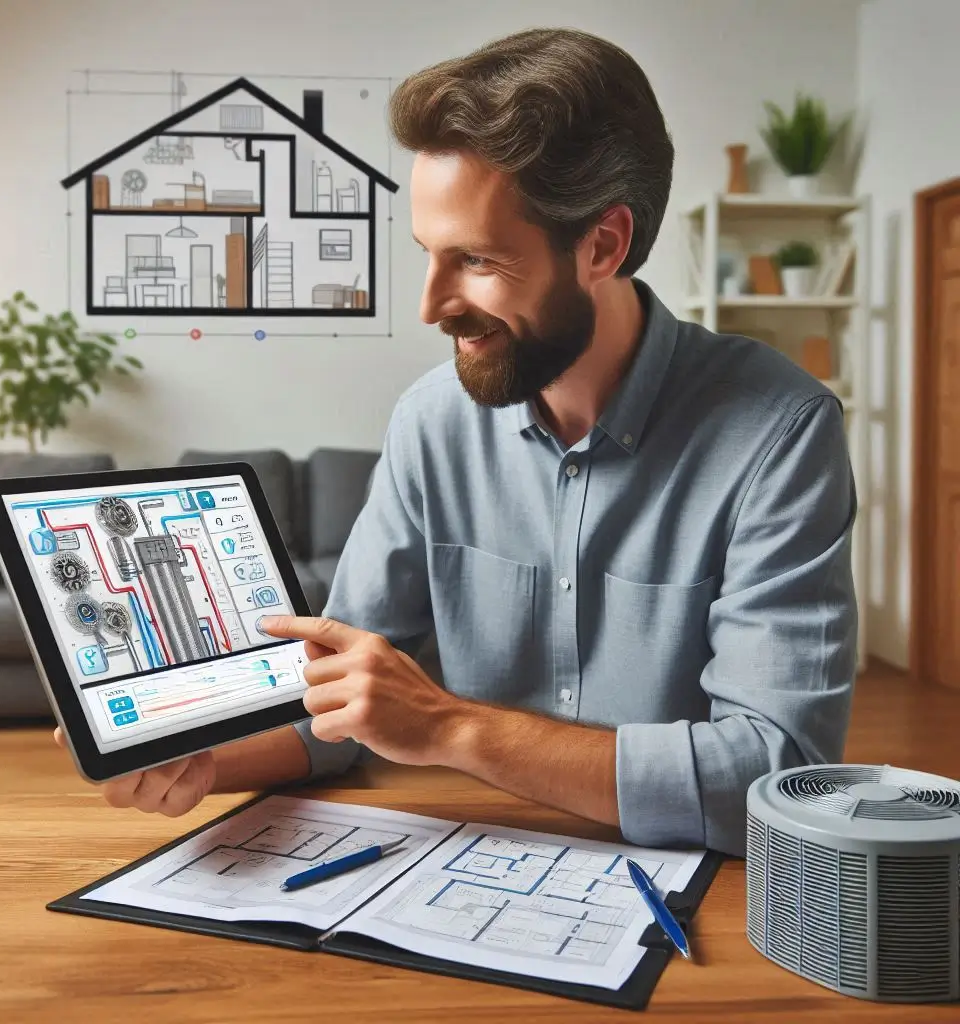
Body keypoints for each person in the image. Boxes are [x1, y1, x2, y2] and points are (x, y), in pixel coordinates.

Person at [55, 27, 857, 857]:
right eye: (427, 256)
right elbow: (344, 701)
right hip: (474, 864)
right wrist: (196, 755)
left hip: (703, 901)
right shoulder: (432, 420)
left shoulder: (778, 432)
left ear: (604, 244)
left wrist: (451, 729)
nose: (432, 306)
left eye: (474, 259)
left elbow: (778, 778)